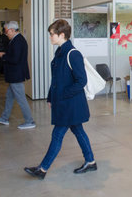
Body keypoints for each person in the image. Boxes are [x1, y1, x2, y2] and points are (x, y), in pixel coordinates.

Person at [24, 19, 96, 179]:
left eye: (52, 34)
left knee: (58, 135)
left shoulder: (73, 54)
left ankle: (42, 169)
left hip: (70, 104)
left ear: (61, 35)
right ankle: (90, 161)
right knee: (78, 131)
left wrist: (61, 95)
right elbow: (57, 79)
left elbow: (81, 81)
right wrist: (51, 96)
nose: (50, 37)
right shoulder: (59, 52)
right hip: (66, 104)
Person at [0, 21, 36, 130]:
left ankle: (29, 121)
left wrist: (3, 56)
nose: (6, 33)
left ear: (12, 30)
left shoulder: (18, 41)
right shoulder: (16, 40)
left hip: (16, 75)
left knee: (21, 99)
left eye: (6, 31)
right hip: (14, 75)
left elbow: (15, 59)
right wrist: (5, 55)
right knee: (9, 97)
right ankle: (4, 118)